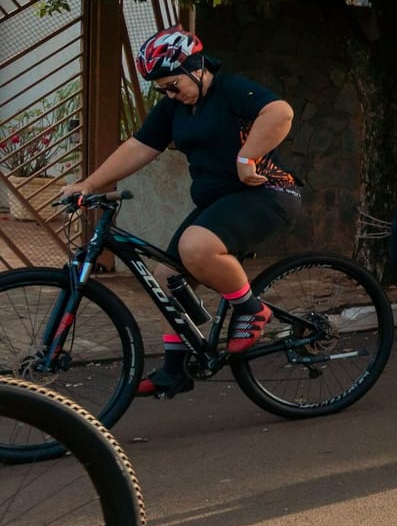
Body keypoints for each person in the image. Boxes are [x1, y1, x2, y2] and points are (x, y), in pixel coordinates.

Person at [60, 27, 303, 396]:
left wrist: (246, 156)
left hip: (265, 194)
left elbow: (280, 112)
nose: (170, 94)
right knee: (167, 273)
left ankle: (252, 309)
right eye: (162, 90)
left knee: (196, 246)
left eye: (173, 85)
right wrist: (90, 184)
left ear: (196, 66)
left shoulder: (231, 90)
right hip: (218, 203)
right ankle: (175, 369)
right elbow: (139, 147)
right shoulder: (174, 109)